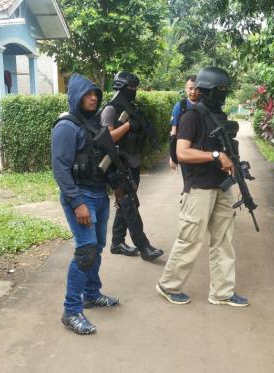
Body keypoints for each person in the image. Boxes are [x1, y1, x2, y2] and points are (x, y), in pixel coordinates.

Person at [156, 66, 249, 307]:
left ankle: (222, 292)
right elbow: (182, 153)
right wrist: (216, 155)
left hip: (222, 186)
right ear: (206, 90)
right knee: (190, 239)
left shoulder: (220, 118)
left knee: (224, 241)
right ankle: (169, 285)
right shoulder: (191, 117)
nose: (222, 95)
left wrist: (234, 164)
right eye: (218, 90)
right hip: (199, 188)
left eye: (225, 90)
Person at [52, 73, 118, 335]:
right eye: (88, 94)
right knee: (86, 250)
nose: (93, 98)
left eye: (96, 94)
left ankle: (91, 294)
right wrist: (77, 202)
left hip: (100, 195)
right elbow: (60, 169)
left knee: (97, 247)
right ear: (76, 97)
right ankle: (71, 311)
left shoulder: (92, 124)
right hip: (80, 197)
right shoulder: (66, 127)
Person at [100, 71, 164, 261]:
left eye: (136, 88)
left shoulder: (131, 108)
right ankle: (143, 246)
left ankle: (117, 242)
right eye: (130, 88)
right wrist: (128, 126)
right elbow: (107, 138)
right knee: (129, 204)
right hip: (118, 165)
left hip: (132, 163)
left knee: (127, 203)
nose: (134, 91)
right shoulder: (110, 110)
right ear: (120, 87)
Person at [169, 75, 199, 170]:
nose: (193, 92)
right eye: (190, 88)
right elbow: (174, 132)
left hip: (202, 150)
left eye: (196, 88)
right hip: (185, 150)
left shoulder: (205, 105)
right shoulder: (180, 106)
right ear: (185, 89)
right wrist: (173, 156)